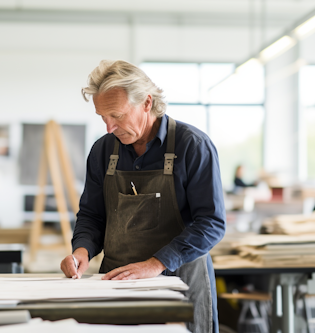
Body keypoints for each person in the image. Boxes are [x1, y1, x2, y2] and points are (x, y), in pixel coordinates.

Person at [60, 60, 226, 333]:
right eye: (103, 117)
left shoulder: (192, 146)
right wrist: (82, 251)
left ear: (147, 102)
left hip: (180, 284)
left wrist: (155, 264)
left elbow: (211, 223)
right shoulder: (103, 151)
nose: (109, 127)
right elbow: (92, 215)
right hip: (117, 285)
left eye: (117, 115)